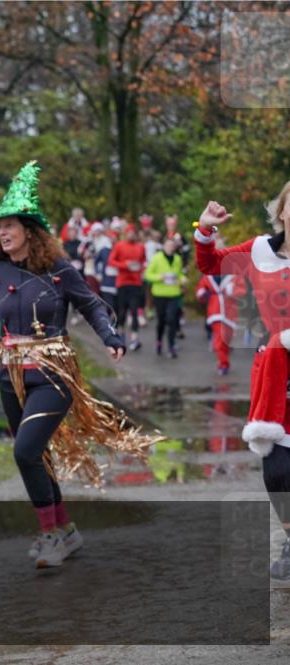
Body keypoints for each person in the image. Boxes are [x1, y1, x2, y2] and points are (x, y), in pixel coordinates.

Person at [0, 161, 155, 569]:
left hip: (54, 373)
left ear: (29, 230)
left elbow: (91, 304)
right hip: (11, 376)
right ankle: (65, 531)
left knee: (25, 451)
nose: (2, 233)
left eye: (9, 225)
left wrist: (111, 336)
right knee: (36, 455)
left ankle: (51, 535)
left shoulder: (58, 270)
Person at [194, 183, 290, 580]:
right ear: (281, 211)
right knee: (278, 468)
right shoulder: (260, 250)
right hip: (276, 370)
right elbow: (211, 265)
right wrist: (205, 230)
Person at [195, 238, 247, 375]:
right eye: (216, 249)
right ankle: (223, 364)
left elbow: (242, 290)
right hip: (215, 311)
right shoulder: (208, 271)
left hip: (230, 311)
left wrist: (231, 290)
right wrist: (203, 293)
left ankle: (224, 352)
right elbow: (200, 288)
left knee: (227, 338)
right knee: (220, 338)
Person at [145, 237, 186, 358]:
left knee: (172, 319)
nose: (170, 247)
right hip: (159, 294)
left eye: (172, 246)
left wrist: (183, 279)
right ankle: (159, 340)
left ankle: (171, 346)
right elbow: (148, 275)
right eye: (168, 245)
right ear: (163, 246)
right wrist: (160, 277)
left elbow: (179, 274)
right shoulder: (157, 258)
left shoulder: (177, 258)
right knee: (161, 321)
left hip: (174, 293)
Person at [108, 224, 146, 350]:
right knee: (122, 311)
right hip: (122, 283)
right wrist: (125, 265)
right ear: (125, 234)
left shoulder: (141, 247)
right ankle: (121, 335)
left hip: (136, 283)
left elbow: (143, 262)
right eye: (129, 233)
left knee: (134, 311)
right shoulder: (119, 245)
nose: (132, 235)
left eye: (134, 233)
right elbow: (111, 261)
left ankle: (134, 338)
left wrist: (140, 268)